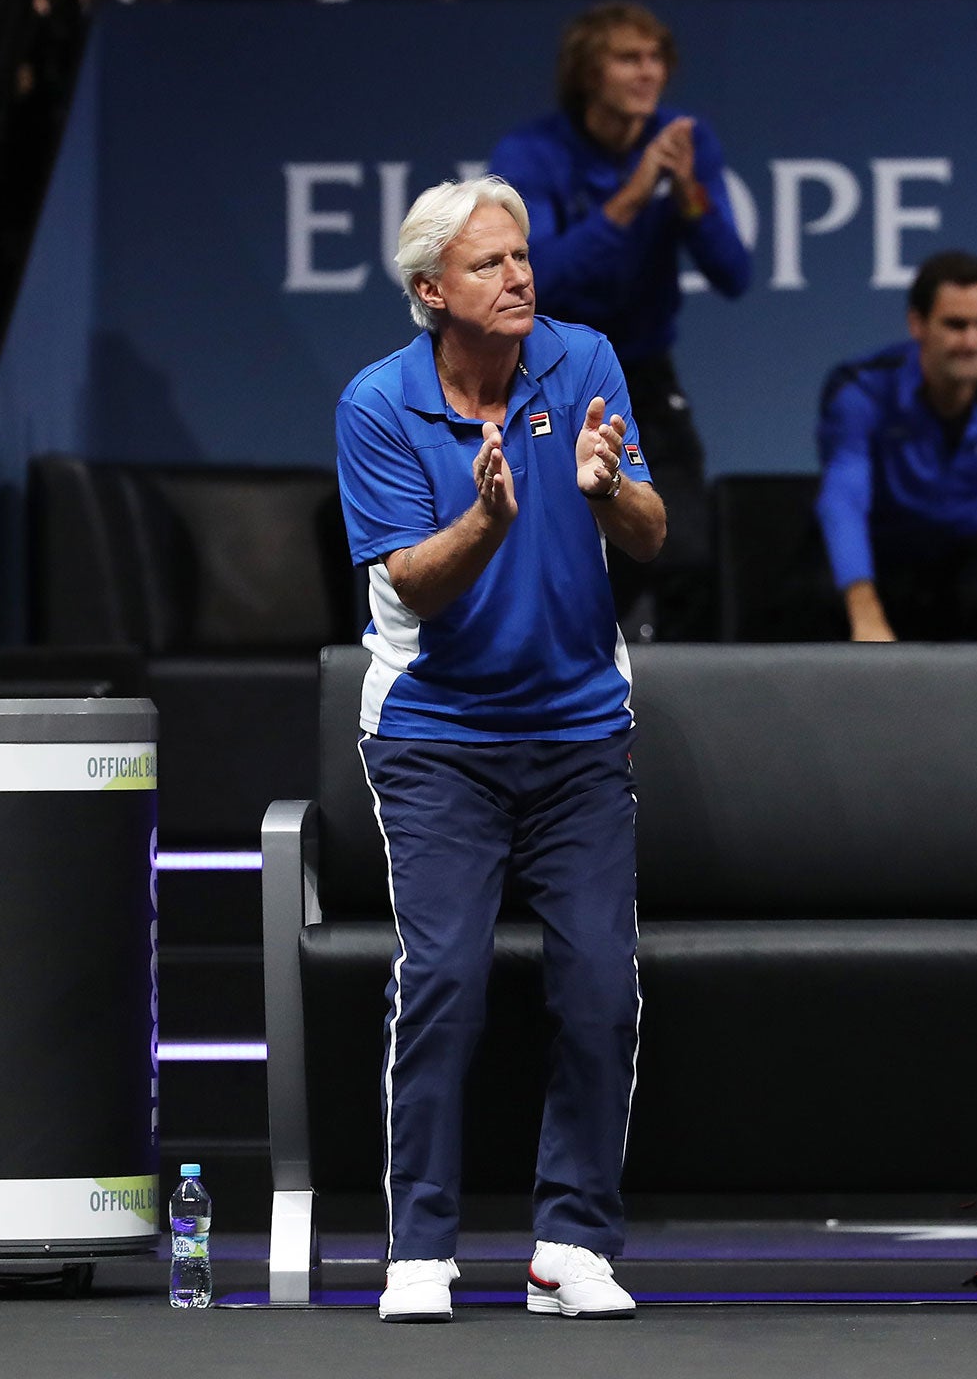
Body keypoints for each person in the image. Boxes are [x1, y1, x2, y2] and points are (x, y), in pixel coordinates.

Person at [334, 176, 664, 1323]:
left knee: (595, 986)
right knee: (445, 981)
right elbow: (406, 581)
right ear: (432, 292)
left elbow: (653, 530)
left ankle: (569, 1243)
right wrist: (487, 515)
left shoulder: (584, 363)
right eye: (489, 264)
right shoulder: (376, 404)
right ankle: (418, 1247)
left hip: (578, 731)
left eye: (521, 257)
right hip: (437, 740)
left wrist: (608, 486)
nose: (518, 277)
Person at [487, 2, 751, 641]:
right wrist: (635, 192)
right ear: (586, 73)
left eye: (656, 58)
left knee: (685, 552)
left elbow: (732, 272)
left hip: (646, 374)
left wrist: (687, 190)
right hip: (549, 373)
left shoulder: (685, 142)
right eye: (627, 58)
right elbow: (538, 274)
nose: (648, 72)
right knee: (556, 554)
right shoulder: (531, 154)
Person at [817, 251, 977, 642]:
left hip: (959, 557)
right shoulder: (861, 392)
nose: (971, 342)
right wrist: (863, 607)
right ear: (918, 324)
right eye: (955, 325)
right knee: (808, 606)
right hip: (878, 550)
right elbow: (844, 496)